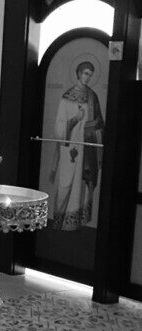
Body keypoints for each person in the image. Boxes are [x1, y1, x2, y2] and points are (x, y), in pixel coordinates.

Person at [50, 58, 105, 230]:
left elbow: (100, 123)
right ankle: (59, 221)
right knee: (65, 184)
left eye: (91, 75)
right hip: (69, 148)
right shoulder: (66, 97)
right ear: (79, 74)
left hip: (86, 149)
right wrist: (75, 119)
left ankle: (75, 223)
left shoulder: (92, 96)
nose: (88, 77)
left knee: (81, 187)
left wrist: (92, 127)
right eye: (86, 73)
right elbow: (59, 129)